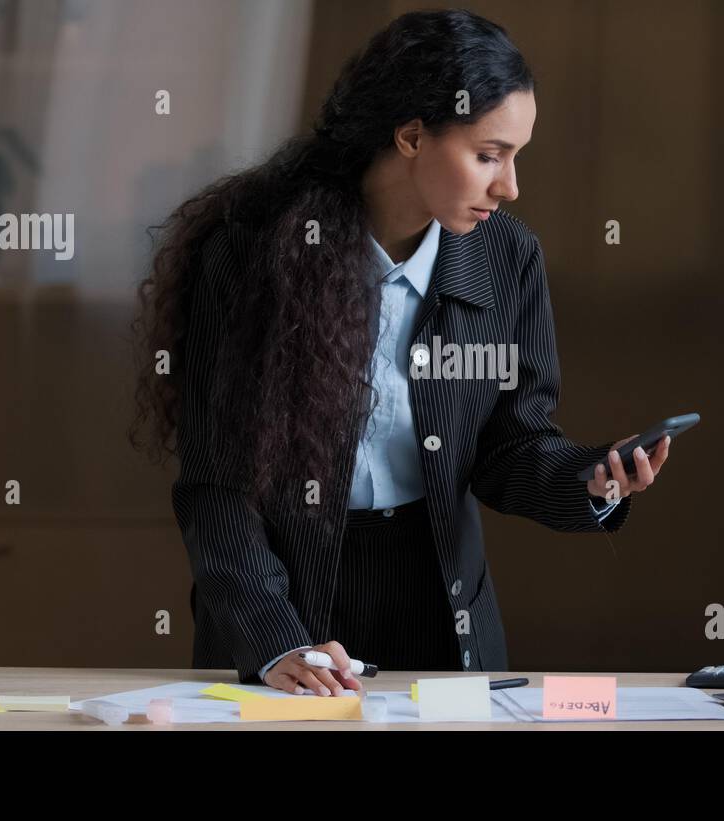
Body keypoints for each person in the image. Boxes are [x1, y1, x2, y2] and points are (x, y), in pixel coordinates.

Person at [130, 8, 669, 697]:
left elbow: (511, 446)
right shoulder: (249, 255)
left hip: (442, 608)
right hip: (285, 608)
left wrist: (592, 480)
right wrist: (274, 641)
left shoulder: (508, 259)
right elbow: (216, 485)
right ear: (411, 135)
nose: (509, 187)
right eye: (488, 155)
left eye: (516, 156)